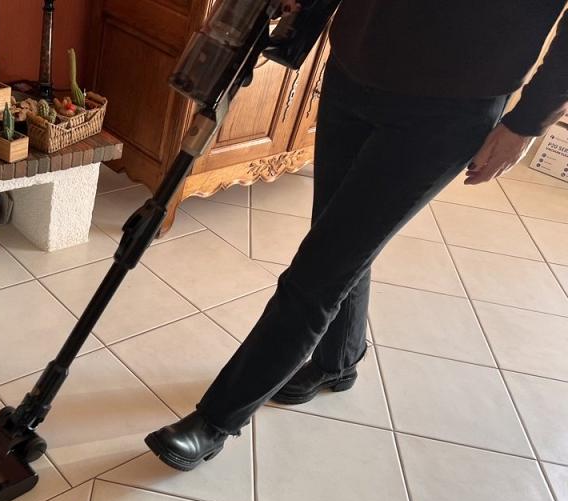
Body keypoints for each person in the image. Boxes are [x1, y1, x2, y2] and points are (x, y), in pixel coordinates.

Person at [146, 0, 568, 470]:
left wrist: (526, 124)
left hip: (451, 106)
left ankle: (215, 421)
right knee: (336, 236)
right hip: (355, 66)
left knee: (319, 272)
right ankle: (338, 361)